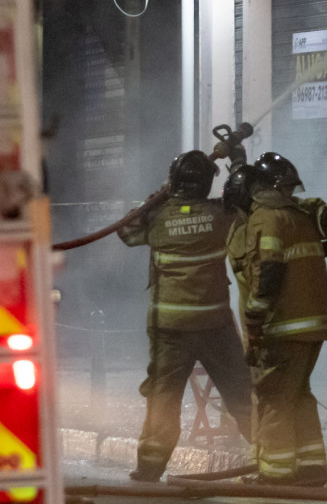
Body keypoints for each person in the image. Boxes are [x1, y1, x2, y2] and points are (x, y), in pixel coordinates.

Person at [118, 150, 254, 483]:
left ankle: (149, 466)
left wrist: (160, 194)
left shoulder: (158, 218)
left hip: (170, 329)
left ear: (175, 181)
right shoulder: (219, 215)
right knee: (240, 390)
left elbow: (126, 231)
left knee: (163, 396)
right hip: (214, 325)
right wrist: (238, 164)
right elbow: (246, 205)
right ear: (207, 182)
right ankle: (273, 454)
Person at [236, 151, 327, 486]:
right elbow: (321, 212)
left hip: (283, 326)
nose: (290, 193)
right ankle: (312, 468)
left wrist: (254, 318)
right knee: (299, 395)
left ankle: (276, 473)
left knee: (273, 398)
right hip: (313, 326)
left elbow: (268, 273)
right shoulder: (299, 215)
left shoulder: (266, 217)